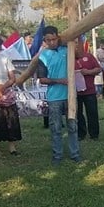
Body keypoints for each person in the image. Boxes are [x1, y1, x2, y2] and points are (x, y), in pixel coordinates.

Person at [37, 26, 81, 165]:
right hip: (54, 97)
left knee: (72, 125)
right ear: (44, 40)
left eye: (53, 39)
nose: (51, 42)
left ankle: (75, 154)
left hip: (70, 96)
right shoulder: (43, 56)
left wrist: (77, 37)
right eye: (48, 40)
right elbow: (42, 79)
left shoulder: (67, 49)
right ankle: (57, 155)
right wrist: (59, 80)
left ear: (58, 37)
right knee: (55, 128)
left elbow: (80, 54)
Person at [74, 41, 102, 141]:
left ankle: (94, 134)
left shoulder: (89, 56)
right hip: (75, 92)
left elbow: (99, 69)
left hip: (89, 91)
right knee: (78, 114)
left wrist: (88, 72)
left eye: (78, 45)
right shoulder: (69, 59)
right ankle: (81, 134)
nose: (76, 48)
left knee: (92, 113)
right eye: (74, 46)